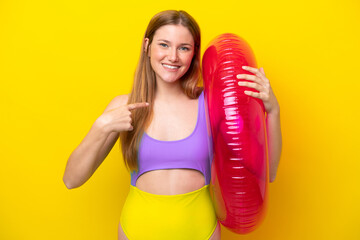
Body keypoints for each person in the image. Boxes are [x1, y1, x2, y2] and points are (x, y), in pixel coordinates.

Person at [63, 10, 282, 240]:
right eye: (164, 45)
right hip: (137, 231)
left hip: (201, 231)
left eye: (184, 48)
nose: (173, 57)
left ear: (193, 54)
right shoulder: (125, 106)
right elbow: (71, 179)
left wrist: (273, 110)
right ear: (147, 46)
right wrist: (102, 125)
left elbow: (269, 172)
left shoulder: (210, 104)